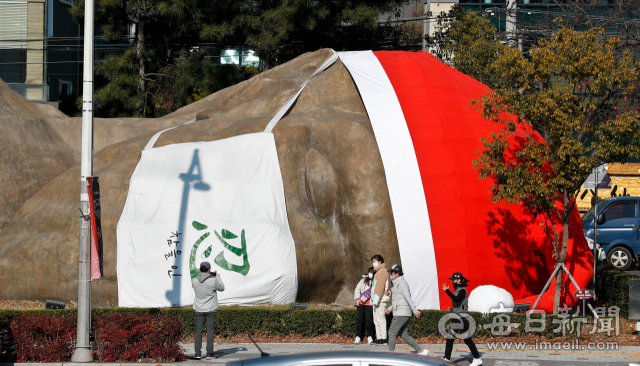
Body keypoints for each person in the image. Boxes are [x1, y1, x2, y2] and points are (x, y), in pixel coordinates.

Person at [385, 265, 429, 355]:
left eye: (392, 273)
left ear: (397, 274)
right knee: (404, 335)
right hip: (402, 312)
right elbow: (398, 300)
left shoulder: (401, 284)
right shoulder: (396, 283)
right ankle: (420, 351)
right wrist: (390, 308)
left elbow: (408, 297)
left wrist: (415, 310)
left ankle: (390, 355)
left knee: (392, 332)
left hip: (401, 313)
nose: (390, 274)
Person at [442, 272, 482, 366]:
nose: (452, 281)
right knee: (452, 338)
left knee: (466, 339)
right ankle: (447, 358)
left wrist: (447, 291)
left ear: (459, 280)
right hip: (458, 317)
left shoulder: (462, 290)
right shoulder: (457, 290)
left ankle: (477, 358)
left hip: (462, 319)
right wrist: (452, 309)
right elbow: (459, 303)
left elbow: (456, 299)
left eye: (453, 279)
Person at [192, 261, 225, 360]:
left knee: (198, 331)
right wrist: (217, 276)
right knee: (210, 331)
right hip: (210, 308)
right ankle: (210, 354)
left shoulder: (194, 281)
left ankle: (197, 354)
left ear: (199, 269)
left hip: (199, 308)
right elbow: (222, 288)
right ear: (209, 270)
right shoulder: (213, 281)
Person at [370, 254, 391, 345]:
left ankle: (383, 338)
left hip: (380, 301)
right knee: (377, 319)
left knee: (380, 319)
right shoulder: (379, 272)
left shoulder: (382, 272)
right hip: (378, 300)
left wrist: (376, 300)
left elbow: (379, 288)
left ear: (380, 262)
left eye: (374, 261)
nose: (373, 263)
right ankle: (379, 338)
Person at [353, 266, 375, 345]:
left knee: (369, 321)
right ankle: (358, 337)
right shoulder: (363, 280)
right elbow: (357, 289)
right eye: (369, 272)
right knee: (359, 320)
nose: (370, 274)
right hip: (361, 302)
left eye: (372, 273)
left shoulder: (376, 281)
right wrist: (357, 299)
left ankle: (370, 336)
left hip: (370, 303)